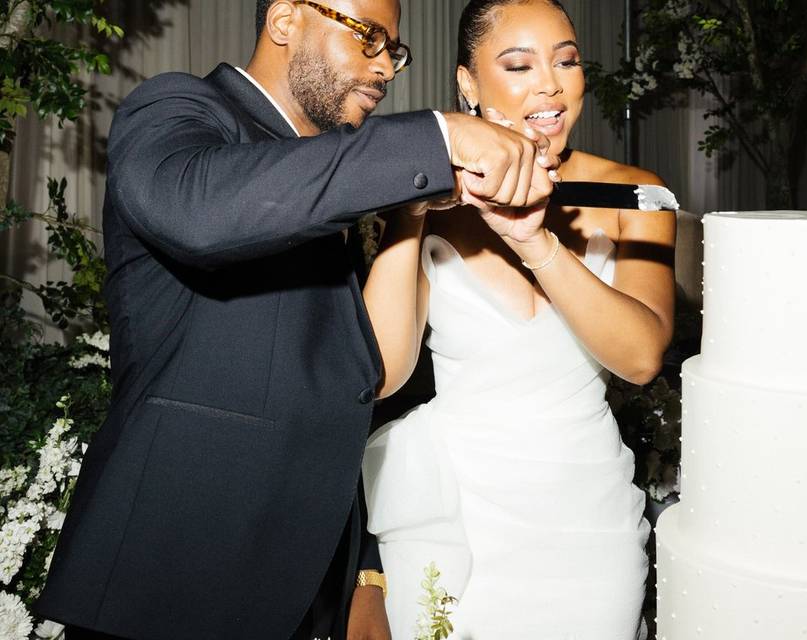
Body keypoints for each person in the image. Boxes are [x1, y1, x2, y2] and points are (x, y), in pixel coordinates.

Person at [35, 1, 560, 639]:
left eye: (393, 51)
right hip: (173, 578)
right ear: (285, 21)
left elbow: (355, 387)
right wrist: (440, 136)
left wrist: (364, 571)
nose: (385, 68)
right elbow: (201, 211)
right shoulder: (178, 108)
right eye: (369, 38)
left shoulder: (339, 180)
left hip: (307, 587)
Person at [360, 0, 678, 638]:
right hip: (454, 513)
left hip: (586, 517)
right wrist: (410, 211)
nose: (550, 84)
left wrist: (538, 245)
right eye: (518, 65)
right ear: (468, 85)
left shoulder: (632, 195)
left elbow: (641, 357)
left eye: (566, 61)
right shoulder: (421, 204)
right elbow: (384, 374)